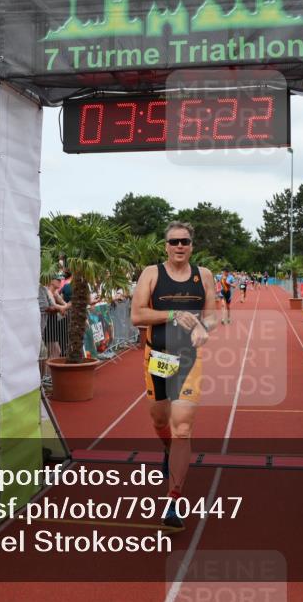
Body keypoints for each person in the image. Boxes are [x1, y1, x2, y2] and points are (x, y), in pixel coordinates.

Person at [131, 221, 217, 529]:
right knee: (159, 419)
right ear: (166, 246)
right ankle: (168, 450)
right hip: (159, 357)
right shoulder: (151, 274)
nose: (179, 246)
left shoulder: (204, 276)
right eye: (174, 241)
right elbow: (137, 315)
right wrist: (172, 314)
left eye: (185, 241)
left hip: (188, 359)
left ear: (192, 246)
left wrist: (204, 328)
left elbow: (212, 316)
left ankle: (174, 500)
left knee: (182, 428)